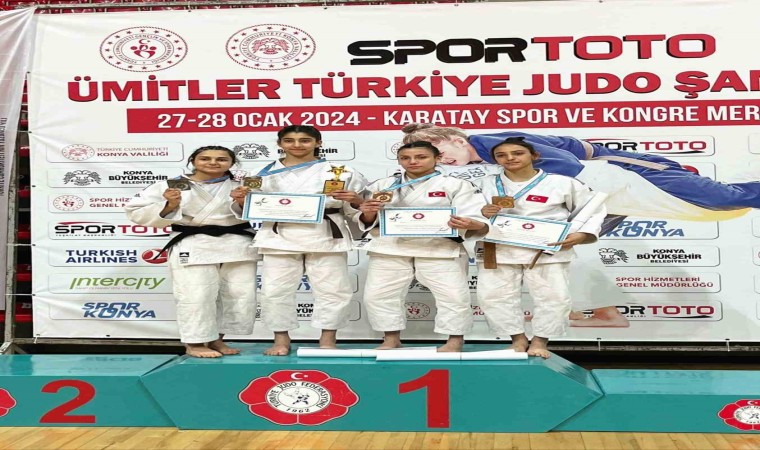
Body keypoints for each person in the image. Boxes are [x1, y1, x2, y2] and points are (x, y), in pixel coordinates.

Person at [401, 123, 754, 221]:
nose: (440, 160)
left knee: (725, 198)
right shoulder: (482, 157)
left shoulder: (492, 144)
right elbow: (568, 148)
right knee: (722, 199)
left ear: (456, 139)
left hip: (636, 172)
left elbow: (568, 165)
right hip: (610, 182)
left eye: (440, 152)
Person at [231, 125, 367, 356]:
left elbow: (354, 210)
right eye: (289, 140)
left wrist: (356, 200)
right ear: (280, 144)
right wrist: (241, 200)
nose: (297, 145)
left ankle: (328, 339)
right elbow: (249, 209)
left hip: (325, 235)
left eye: (305, 140)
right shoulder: (259, 173)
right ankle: (281, 339)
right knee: (275, 290)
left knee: (334, 290)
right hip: (279, 237)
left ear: (318, 143)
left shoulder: (342, 172)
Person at [476, 137, 606, 358]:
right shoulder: (482, 184)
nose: (510, 158)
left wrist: (582, 234)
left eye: (517, 153)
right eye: (501, 155)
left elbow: (592, 210)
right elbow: (465, 210)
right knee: (493, 296)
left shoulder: (563, 183)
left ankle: (540, 341)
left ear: (534, 156)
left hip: (547, 248)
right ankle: (517, 340)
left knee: (553, 297)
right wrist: (480, 212)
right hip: (498, 247)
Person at [125, 145, 257, 358]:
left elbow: (266, 210)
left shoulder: (243, 185)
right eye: (205, 158)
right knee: (196, 294)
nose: (213, 162)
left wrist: (243, 201)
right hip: (194, 242)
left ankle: (217, 339)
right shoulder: (171, 185)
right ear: (193, 161)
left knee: (237, 294)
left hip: (237, 243)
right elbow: (135, 211)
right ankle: (194, 343)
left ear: (232, 163)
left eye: (221, 159)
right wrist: (170, 204)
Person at [357, 141, 490, 352]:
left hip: (440, 247)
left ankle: (454, 340)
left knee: (453, 296)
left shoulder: (456, 185)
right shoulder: (383, 185)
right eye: (405, 158)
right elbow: (363, 218)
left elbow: (474, 216)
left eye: (421, 157)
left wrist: (469, 223)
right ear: (398, 160)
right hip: (390, 248)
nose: (413, 162)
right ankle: (390, 339)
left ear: (437, 158)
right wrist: (368, 213)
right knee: (379, 295)